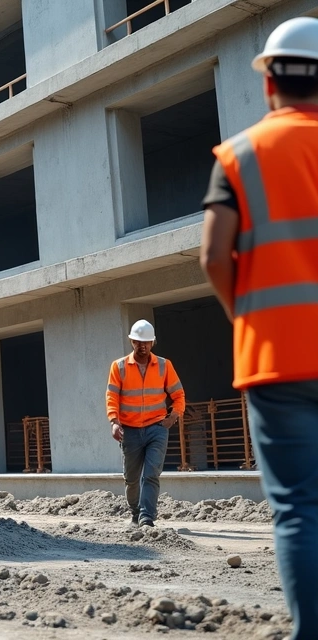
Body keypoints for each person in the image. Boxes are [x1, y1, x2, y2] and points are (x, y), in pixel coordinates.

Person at [199, 16, 318, 639]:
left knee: (299, 510)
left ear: (269, 81)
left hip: (277, 360)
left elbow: (213, 256)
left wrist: (245, 316)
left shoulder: (241, 155)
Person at [105, 319, 185, 528]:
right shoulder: (119, 366)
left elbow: (178, 394)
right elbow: (112, 397)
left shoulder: (164, 365)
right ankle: (135, 512)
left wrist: (173, 416)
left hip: (156, 428)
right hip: (129, 431)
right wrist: (114, 421)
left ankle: (146, 517)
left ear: (153, 342)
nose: (142, 346)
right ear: (131, 341)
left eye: (147, 342)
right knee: (131, 479)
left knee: (151, 474)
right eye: (138, 342)